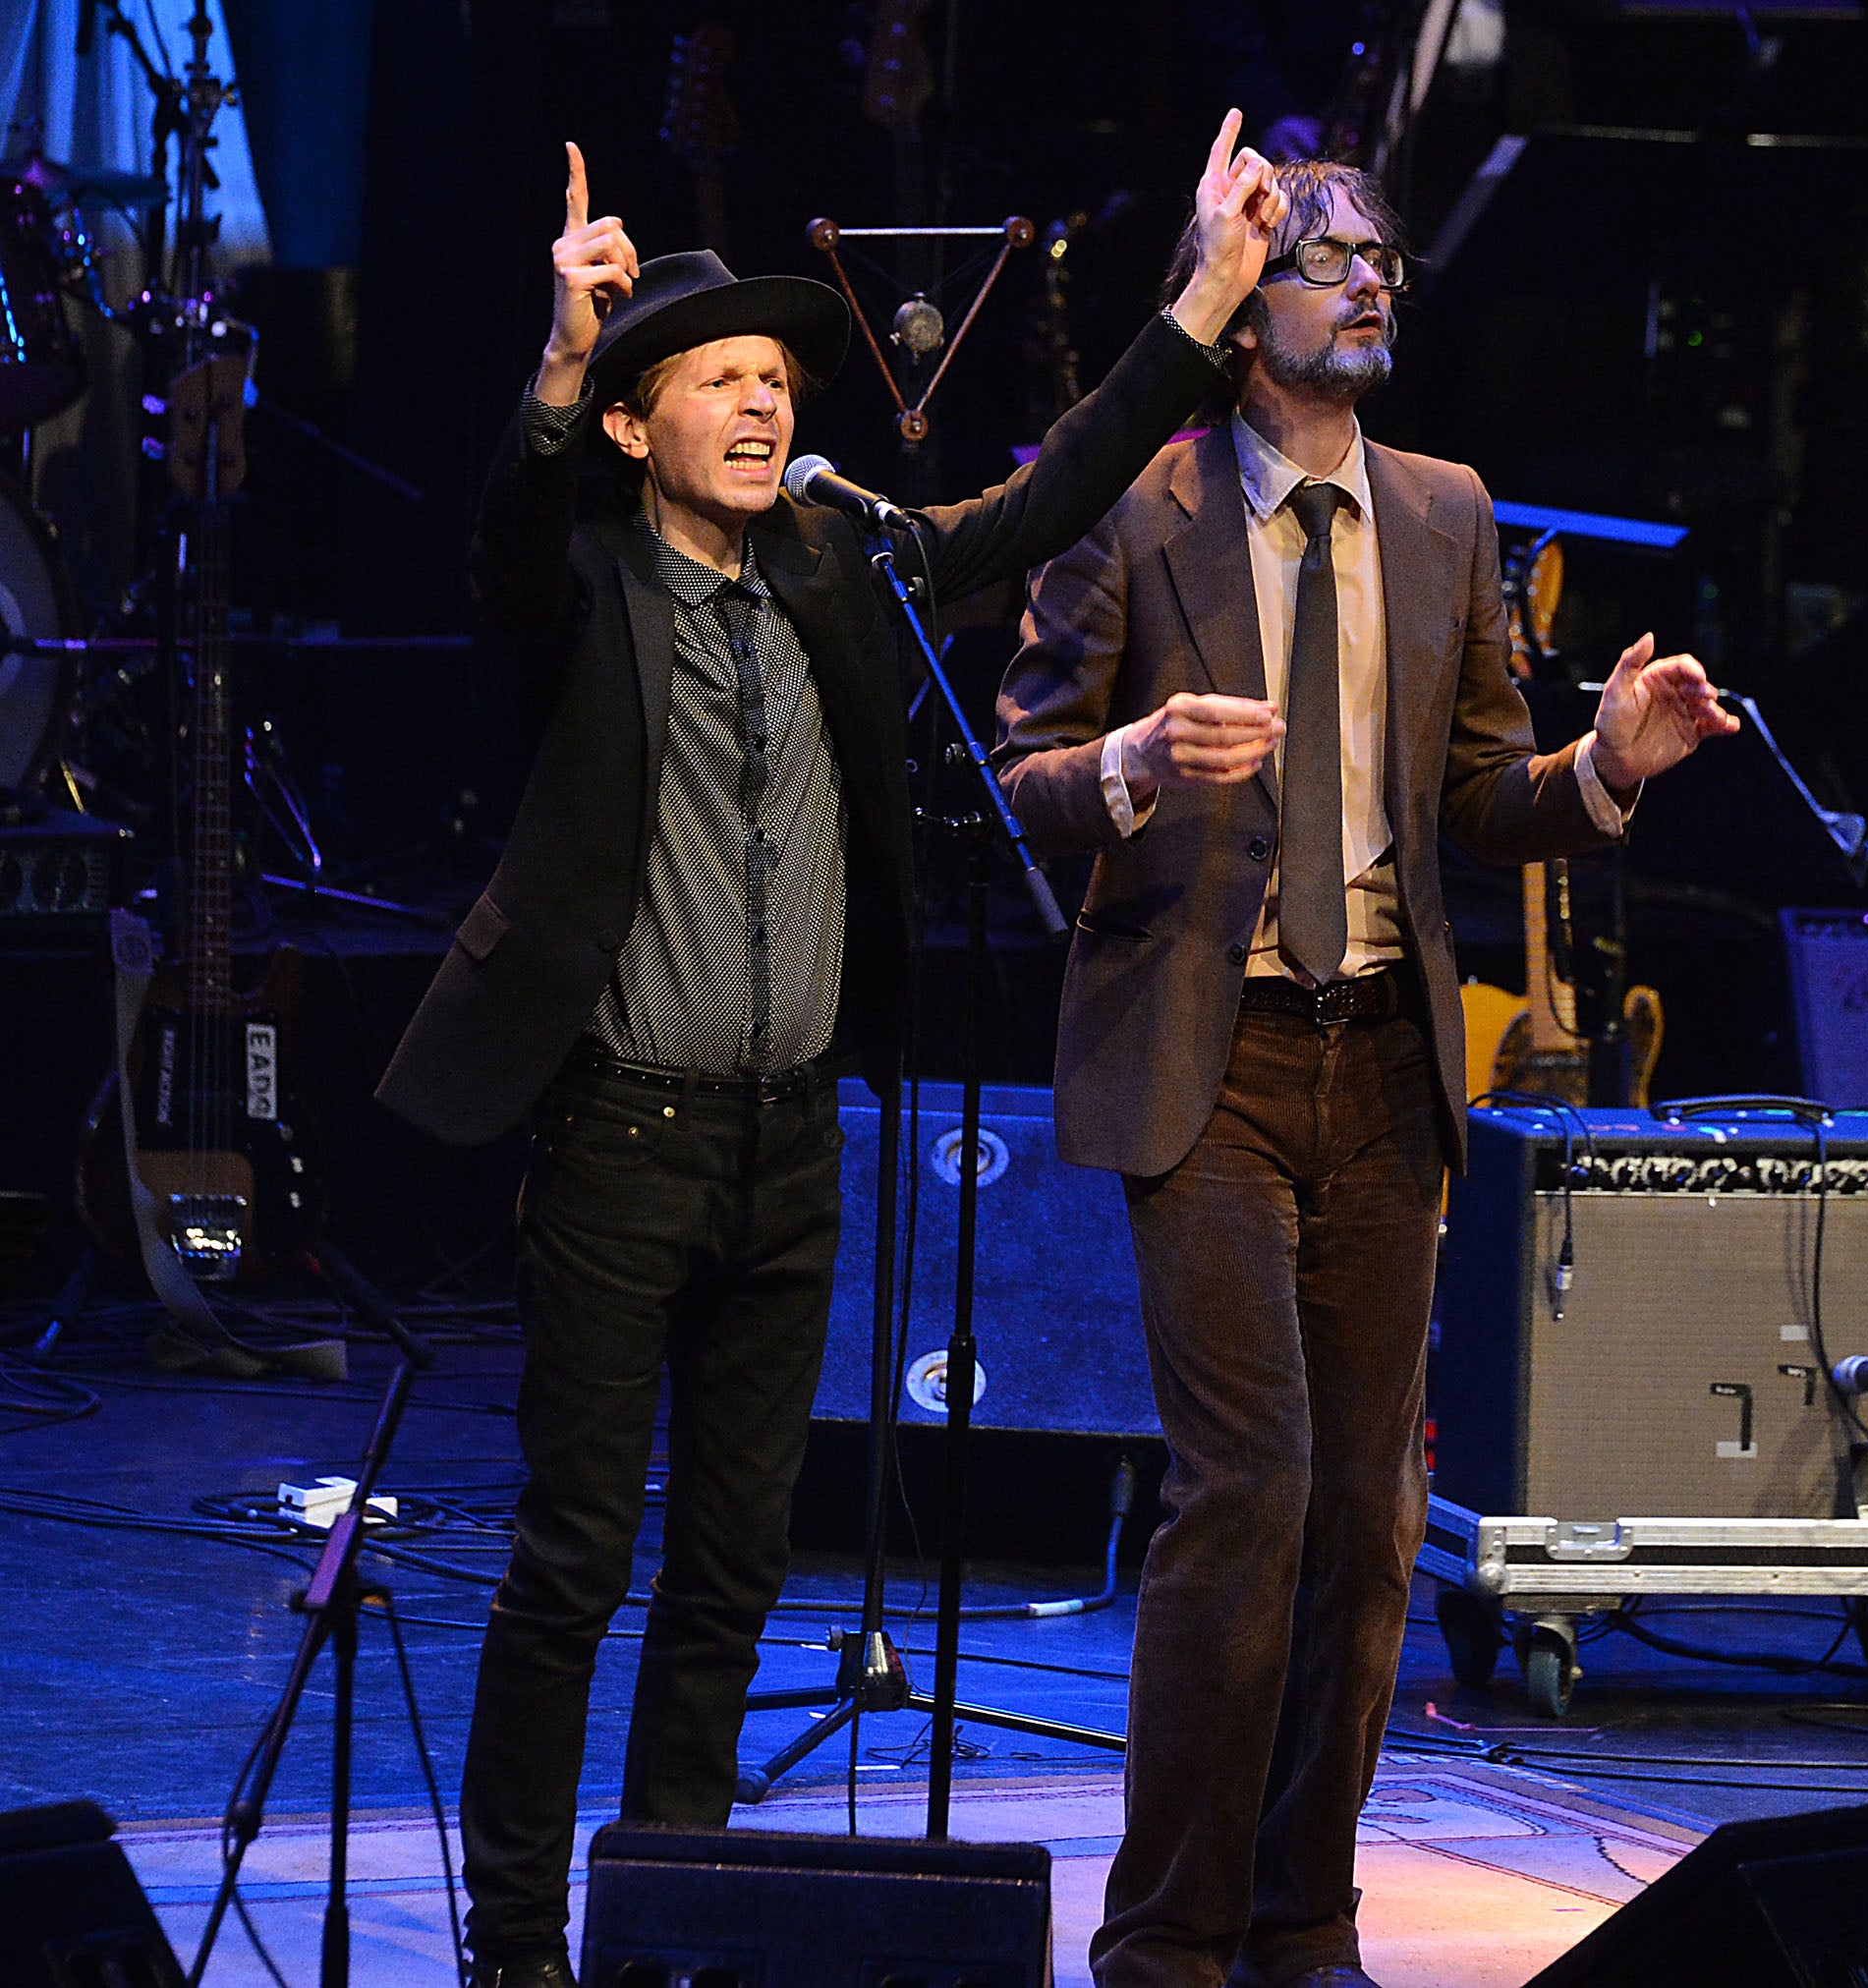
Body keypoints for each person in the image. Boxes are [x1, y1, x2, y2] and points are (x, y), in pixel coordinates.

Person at [372, 118, 1290, 1988]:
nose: (761, 403)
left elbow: (1041, 511)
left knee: (731, 1573)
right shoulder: (584, 588)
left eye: (777, 379)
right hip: (621, 1138)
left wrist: (1204, 295)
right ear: (636, 426)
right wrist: (560, 359)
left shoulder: (838, 571)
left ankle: (669, 1920)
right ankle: (520, 1939)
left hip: (798, 1148)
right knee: (570, 1566)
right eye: (717, 377)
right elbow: (505, 536)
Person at [992, 159, 1736, 1988]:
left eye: (1381, 256)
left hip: (1384, 1066)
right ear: (1243, 304)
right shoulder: (1133, 504)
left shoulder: (1445, 509)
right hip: (1213, 1053)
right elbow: (1017, 773)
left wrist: (1608, 768)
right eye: (1326, 257)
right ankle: (1167, 1939)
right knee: (1247, 1484)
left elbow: (1482, 796)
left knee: (1367, 1513)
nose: (1371, 282)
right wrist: (1141, 757)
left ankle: (1300, 1924)